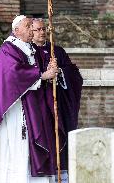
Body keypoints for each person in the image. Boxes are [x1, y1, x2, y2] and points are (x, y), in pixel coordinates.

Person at [0, 15, 61, 183]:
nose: (31, 29)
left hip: (32, 106)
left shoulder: (29, 47)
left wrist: (48, 69)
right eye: (27, 26)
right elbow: (12, 74)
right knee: (18, 147)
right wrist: (41, 75)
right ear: (16, 30)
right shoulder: (8, 48)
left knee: (31, 147)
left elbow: (38, 72)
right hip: (15, 108)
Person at [31, 18, 83, 181]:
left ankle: (61, 175)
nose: (42, 32)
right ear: (30, 32)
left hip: (58, 103)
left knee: (60, 137)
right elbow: (25, 75)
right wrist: (45, 73)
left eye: (43, 29)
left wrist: (60, 71)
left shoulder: (57, 51)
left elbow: (74, 73)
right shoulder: (28, 51)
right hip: (39, 105)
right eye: (38, 30)